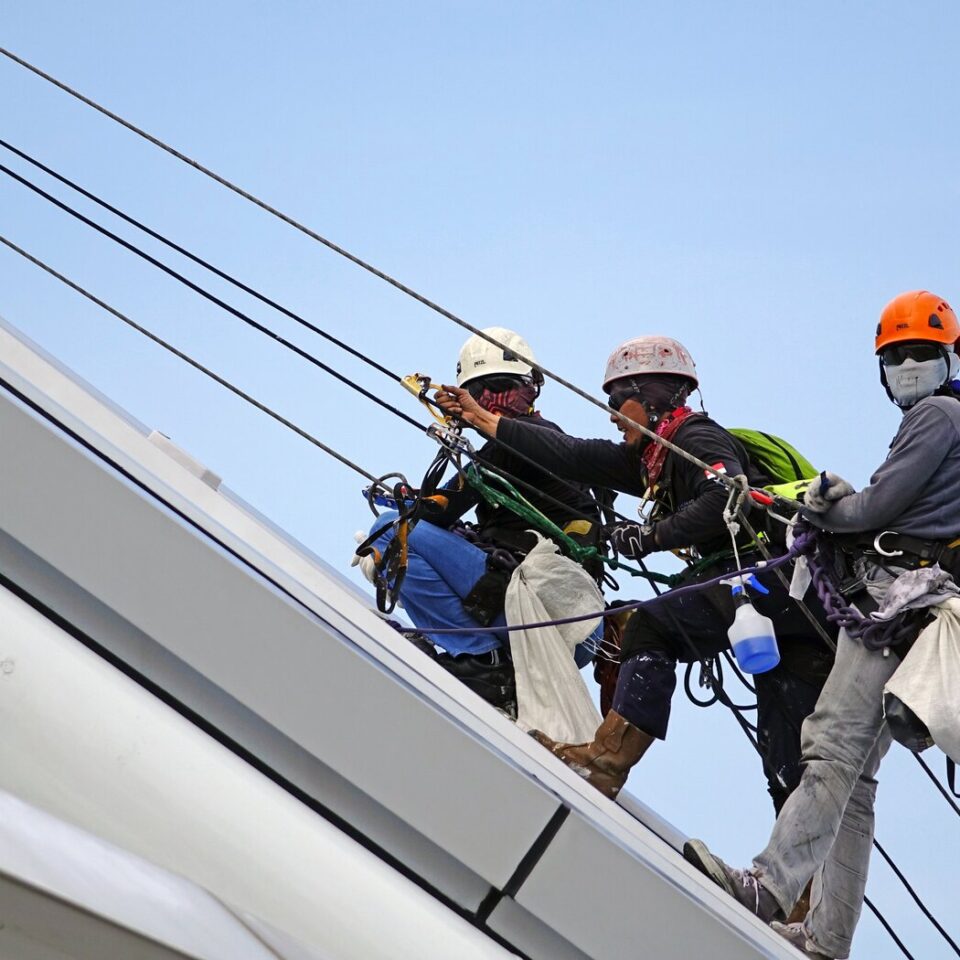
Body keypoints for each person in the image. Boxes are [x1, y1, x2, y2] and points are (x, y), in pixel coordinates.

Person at [435, 335, 835, 808]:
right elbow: (572, 454)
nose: (610, 413)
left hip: (767, 576)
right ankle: (803, 880)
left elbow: (724, 496)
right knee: (784, 743)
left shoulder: (695, 437)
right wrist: (488, 422)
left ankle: (604, 761)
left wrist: (651, 537)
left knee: (650, 624)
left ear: (651, 394)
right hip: (797, 602)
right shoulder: (651, 458)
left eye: (615, 399)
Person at [682, 290, 960, 959]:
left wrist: (820, 508)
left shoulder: (939, 416)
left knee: (831, 746)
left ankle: (767, 888)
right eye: (897, 355)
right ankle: (828, 937)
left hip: (897, 607)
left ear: (949, 357)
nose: (909, 365)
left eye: (921, 352)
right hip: (921, 604)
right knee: (856, 782)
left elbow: (875, 509)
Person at [355, 327, 602, 713]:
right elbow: (447, 504)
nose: (492, 403)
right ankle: (489, 666)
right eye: (481, 394)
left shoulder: (523, 440)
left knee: (389, 532)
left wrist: (409, 509)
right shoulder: (532, 446)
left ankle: (481, 661)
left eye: (503, 389)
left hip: (553, 616)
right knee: (412, 535)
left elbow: (441, 507)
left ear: (531, 390)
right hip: (567, 625)